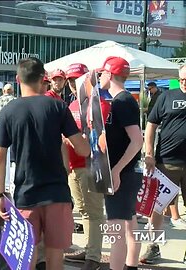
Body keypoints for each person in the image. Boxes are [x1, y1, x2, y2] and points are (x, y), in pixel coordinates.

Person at [0, 57, 90, 270]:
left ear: (18, 79)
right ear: (42, 79)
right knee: (55, 254)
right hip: (57, 192)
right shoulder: (58, 107)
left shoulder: (8, 111)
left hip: (26, 193)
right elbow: (82, 149)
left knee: (27, 252)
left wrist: (0, 195)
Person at [99, 56, 143, 270]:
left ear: (109, 74)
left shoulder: (121, 101)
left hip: (122, 173)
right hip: (127, 172)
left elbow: (137, 141)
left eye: (102, 74)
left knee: (115, 228)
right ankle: (131, 265)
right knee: (128, 222)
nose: (100, 78)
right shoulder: (122, 101)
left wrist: (116, 170)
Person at [63, 63, 108, 270]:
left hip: (91, 165)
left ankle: (93, 257)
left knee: (94, 212)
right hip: (74, 165)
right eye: (71, 80)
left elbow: (101, 136)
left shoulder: (98, 103)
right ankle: (90, 250)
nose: (73, 84)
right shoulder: (72, 105)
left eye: (77, 80)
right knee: (83, 210)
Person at [140, 65, 186, 264]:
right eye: (183, 79)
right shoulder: (166, 97)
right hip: (167, 162)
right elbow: (151, 126)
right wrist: (149, 154)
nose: (185, 82)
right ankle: (153, 247)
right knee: (157, 208)